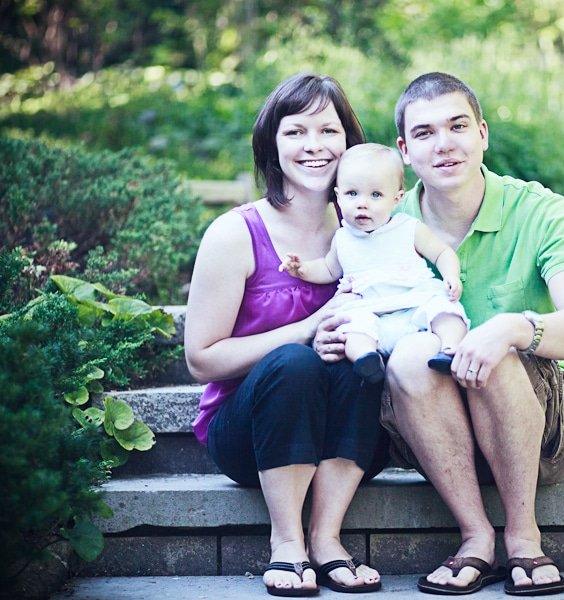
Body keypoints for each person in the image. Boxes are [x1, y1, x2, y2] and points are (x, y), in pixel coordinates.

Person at [317, 72, 564, 595]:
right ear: (404, 151)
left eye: (458, 126)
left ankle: (523, 536)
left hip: (541, 428)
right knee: (409, 356)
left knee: (490, 350)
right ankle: (475, 537)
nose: (444, 144)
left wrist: (513, 329)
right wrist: (328, 334)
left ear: (483, 134)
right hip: (429, 428)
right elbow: (344, 295)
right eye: (424, 133)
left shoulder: (539, 210)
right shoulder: (378, 217)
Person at [185, 73, 389, 597]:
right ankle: (287, 544)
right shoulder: (236, 234)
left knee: (359, 358)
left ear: (350, 142)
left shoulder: (374, 229)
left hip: (347, 430)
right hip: (250, 435)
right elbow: (201, 359)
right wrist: (303, 332)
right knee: (297, 362)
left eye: (329, 131)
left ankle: (327, 541)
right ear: (272, 146)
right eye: (296, 132)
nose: (315, 147)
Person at [279, 142, 469, 384]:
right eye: (352, 194)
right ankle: (367, 360)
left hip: (415, 301)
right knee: (353, 328)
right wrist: (302, 269)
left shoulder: (408, 228)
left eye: (376, 195)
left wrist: (450, 276)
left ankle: (450, 350)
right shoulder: (342, 238)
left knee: (445, 311)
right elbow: (328, 268)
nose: (362, 203)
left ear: (397, 199)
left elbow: (442, 253)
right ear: (338, 196)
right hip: (370, 309)